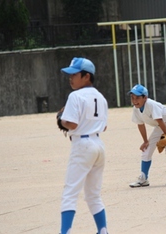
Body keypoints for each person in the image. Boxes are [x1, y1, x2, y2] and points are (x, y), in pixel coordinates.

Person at [59, 57, 109, 234]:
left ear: (87, 76)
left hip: (82, 146)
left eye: (74, 74)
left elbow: (71, 124)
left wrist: (61, 120)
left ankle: (65, 232)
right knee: (93, 195)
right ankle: (103, 230)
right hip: (98, 145)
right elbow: (104, 126)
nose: (70, 78)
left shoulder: (75, 95)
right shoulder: (101, 97)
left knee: (70, 193)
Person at [128, 84, 166, 187]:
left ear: (145, 97)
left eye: (138, 98)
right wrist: (145, 141)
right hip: (160, 126)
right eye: (132, 98)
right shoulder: (136, 109)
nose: (135, 100)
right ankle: (144, 178)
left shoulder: (151, 104)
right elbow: (140, 125)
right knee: (147, 149)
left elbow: (160, 120)